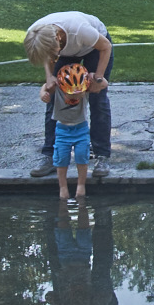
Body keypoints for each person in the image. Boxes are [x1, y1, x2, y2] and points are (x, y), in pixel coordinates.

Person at [25, 9, 113, 178]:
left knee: (97, 98)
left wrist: (99, 78)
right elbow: (48, 55)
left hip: (94, 48)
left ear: (58, 38)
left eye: (53, 51)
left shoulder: (80, 30)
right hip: (64, 51)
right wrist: (49, 77)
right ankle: (49, 155)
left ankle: (102, 156)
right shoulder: (35, 34)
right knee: (54, 98)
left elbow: (105, 47)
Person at [51, 63, 93, 204]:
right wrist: (43, 93)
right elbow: (45, 87)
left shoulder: (85, 90)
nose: (74, 96)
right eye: (70, 93)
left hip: (81, 129)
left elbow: (103, 84)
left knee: (82, 155)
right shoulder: (57, 90)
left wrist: (94, 77)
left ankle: (81, 185)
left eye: (77, 92)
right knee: (61, 158)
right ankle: (63, 187)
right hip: (62, 130)